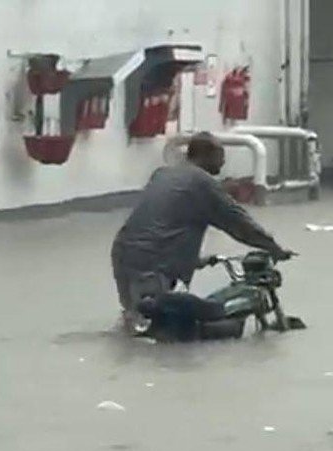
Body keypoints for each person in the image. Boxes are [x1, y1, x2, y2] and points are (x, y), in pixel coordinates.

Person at [111, 131, 293, 333]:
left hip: (124, 254)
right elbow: (241, 225)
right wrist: (274, 248)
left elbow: (165, 223)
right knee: (160, 324)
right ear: (206, 155)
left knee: (138, 319)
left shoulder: (163, 174)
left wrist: (197, 261)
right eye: (220, 155)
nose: (223, 162)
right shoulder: (202, 183)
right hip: (153, 263)